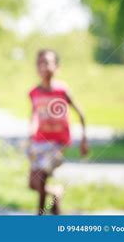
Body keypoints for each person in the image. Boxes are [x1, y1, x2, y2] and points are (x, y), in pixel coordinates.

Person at [28, 49, 88, 215]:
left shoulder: (62, 91)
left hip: (57, 144)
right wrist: (29, 136)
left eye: (47, 63)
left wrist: (84, 140)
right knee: (32, 184)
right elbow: (33, 115)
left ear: (56, 67)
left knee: (40, 179)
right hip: (38, 142)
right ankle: (55, 193)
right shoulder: (34, 92)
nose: (44, 67)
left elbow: (80, 113)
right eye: (40, 63)